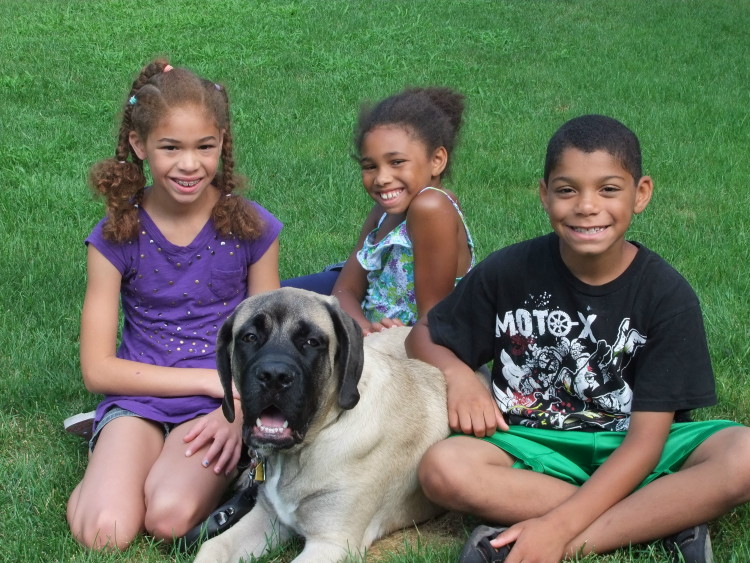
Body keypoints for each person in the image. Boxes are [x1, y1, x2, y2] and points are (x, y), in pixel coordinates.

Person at [405, 114, 750, 563]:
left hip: (639, 449)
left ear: (640, 193)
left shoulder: (667, 295)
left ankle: (547, 540)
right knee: (443, 469)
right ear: (544, 194)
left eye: (608, 189)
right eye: (567, 190)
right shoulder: (509, 270)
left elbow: (646, 444)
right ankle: (664, 515)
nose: (587, 206)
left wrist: (558, 530)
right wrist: (459, 375)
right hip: (535, 447)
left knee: (744, 455)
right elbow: (423, 334)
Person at [66, 59, 282, 551]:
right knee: (106, 533)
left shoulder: (252, 228)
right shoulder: (114, 235)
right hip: (139, 400)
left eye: (205, 146)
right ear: (141, 147)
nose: (190, 164)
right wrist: (211, 381)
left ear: (222, 141)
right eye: (171, 148)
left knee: (167, 519)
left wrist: (238, 411)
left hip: (218, 407)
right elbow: (97, 370)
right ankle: (108, 458)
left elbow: (269, 343)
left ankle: (197, 466)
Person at [282, 87, 475, 335]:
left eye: (396, 162)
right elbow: (345, 290)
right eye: (370, 166)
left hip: (407, 344)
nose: (382, 178)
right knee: (260, 304)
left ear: (436, 160)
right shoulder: (382, 212)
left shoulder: (432, 208)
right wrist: (362, 329)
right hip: (364, 327)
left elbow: (433, 321)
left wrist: (385, 340)